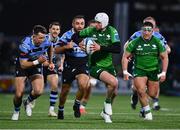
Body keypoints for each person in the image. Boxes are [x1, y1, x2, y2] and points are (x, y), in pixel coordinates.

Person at [71, 12, 121, 123]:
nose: (95, 24)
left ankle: (104, 112)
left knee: (114, 92)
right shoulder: (91, 30)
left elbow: (117, 48)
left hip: (109, 66)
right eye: (95, 21)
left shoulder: (112, 31)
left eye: (98, 22)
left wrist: (100, 48)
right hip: (94, 65)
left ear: (104, 23)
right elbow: (74, 36)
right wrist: (79, 43)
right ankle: (107, 104)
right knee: (114, 82)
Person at [122, 22, 168, 120]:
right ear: (141, 30)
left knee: (152, 94)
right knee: (141, 91)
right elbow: (125, 56)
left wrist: (164, 72)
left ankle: (137, 92)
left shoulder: (157, 41)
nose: (146, 32)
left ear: (152, 31)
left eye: (149, 30)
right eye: (144, 30)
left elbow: (165, 57)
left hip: (153, 70)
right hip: (139, 69)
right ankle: (147, 113)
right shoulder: (135, 41)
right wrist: (125, 71)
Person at [11, 25, 54, 120]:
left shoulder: (47, 39)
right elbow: (23, 65)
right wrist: (38, 61)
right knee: (18, 94)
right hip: (23, 64)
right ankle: (16, 110)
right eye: (40, 38)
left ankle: (27, 101)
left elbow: (50, 47)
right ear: (33, 36)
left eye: (44, 37)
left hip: (36, 64)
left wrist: (50, 62)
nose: (43, 40)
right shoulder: (25, 44)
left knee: (38, 91)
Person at [55, 15, 90, 120]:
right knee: (65, 91)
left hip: (82, 64)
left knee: (84, 86)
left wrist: (93, 48)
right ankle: (61, 109)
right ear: (73, 24)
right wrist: (66, 47)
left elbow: (95, 48)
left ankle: (77, 104)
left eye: (82, 23)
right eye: (77, 23)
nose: (80, 26)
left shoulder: (88, 35)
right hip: (69, 64)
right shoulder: (67, 35)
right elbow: (56, 50)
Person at [44, 22, 65, 117]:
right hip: (39, 65)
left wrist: (61, 65)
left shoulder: (60, 41)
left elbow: (62, 55)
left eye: (57, 29)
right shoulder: (43, 38)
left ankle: (51, 109)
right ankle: (29, 101)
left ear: (59, 31)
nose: (55, 31)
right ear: (49, 30)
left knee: (55, 85)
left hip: (50, 66)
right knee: (37, 90)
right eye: (53, 29)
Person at [79, 19, 98, 114]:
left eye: (95, 27)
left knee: (90, 85)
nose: (93, 29)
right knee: (85, 85)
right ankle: (78, 104)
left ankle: (82, 106)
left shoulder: (98, 38)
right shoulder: (82, 37)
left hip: (94, 64)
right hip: (81, 64)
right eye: (91, 27)